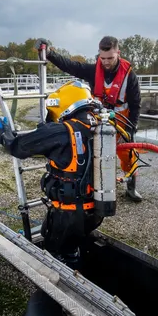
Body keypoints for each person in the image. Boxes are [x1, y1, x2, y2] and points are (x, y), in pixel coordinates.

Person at [0, 79, 105, 265]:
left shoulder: (61, 131)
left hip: (68, 214)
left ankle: (58, 288)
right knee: (72, 245)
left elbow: (19, 148)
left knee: (56, 256)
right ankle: (75, 262)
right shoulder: (100, 126)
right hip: (96, 210)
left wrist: (3, 135)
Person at [35, 36, 144, 202]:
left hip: (122, 124)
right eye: (103, 58)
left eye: (110, 58)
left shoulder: (130, 76)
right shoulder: (94, 71)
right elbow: (71, 66)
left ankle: (131, 188)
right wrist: (49, 54)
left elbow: (136, 105)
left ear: (118, 53)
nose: (106, 62)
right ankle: (92, 189)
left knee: (129, 157)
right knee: (91, 156)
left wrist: (131, 129)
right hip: (98, 122)